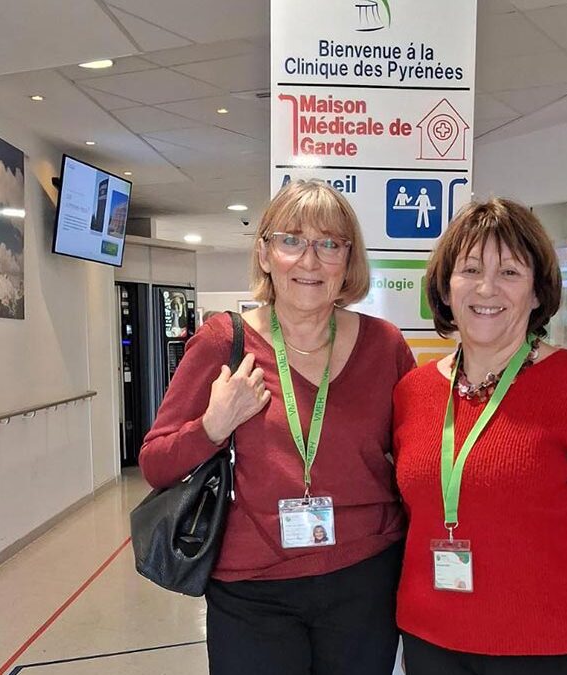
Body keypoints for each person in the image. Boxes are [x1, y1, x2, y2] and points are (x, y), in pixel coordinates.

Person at [139, 179, 415, 675]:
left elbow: (418, 460)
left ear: (347, 261)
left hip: (364, 580)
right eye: (292, 241)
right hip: (253, 591)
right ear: (265, 254)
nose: (309, 261)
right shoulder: (225, 340)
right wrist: (212, 425)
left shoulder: (385, 346)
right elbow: (156, 464)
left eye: (329, 244)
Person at [393, 198, 567, 675]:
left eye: (509, 272)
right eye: (469, 269)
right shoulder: (413, 393)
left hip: (543, 649)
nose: (487, 288)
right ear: (446, 289)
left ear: (536, 293)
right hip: (430, 642)